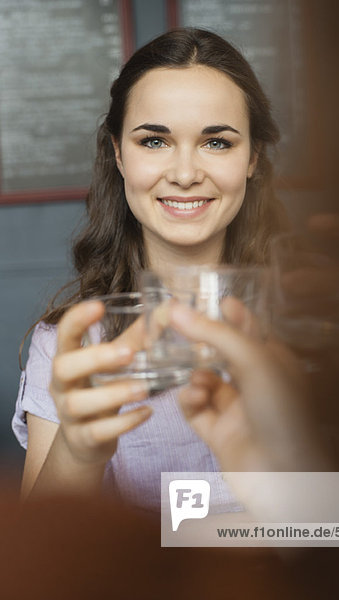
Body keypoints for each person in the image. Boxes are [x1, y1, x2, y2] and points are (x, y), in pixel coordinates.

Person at [12, 28, 287, 505]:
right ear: (118, 153)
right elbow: (34, 566)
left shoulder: (310, 324)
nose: (184, 174)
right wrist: (78, 451)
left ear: (253, 158)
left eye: (216, 142)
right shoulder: (71, 348)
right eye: (154, 142)